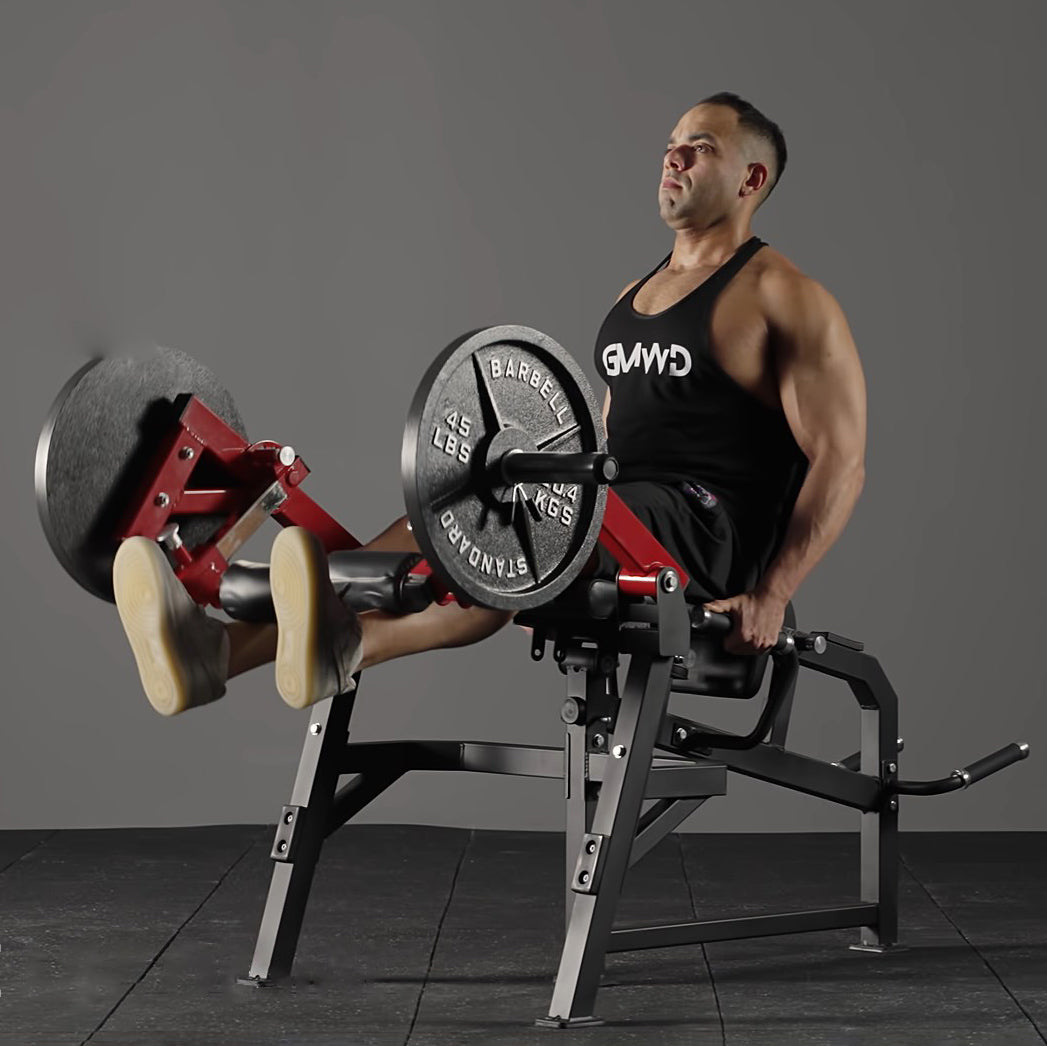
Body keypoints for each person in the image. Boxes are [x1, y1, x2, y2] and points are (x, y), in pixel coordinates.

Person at [113, 91, 866, 717]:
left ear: (750, 178)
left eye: (699, 148)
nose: (673, 158)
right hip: (614, 508)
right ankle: (219, 655)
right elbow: (603, 432)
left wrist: (772, 595)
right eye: (672, 145)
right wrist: (549, 529)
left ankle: (339, 643)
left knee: (518, 532)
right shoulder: (634, 295)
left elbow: (841, 460)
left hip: (701, 532)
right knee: (453, 507)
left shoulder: (785, 297)